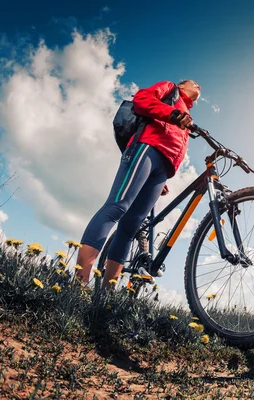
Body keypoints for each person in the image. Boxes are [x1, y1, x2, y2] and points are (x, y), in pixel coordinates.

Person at [75, 79, 202, 288]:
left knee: (131, 227)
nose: (198, 87)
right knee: (117, 206)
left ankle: (105, 296)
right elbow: (141, 100)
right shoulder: (170, 90)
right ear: (182, 85)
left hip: (163, 169)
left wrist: (161, 178)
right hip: (147, 148)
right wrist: (172, 114)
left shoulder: (187, 114)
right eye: (194, 83)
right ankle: (78, 284)